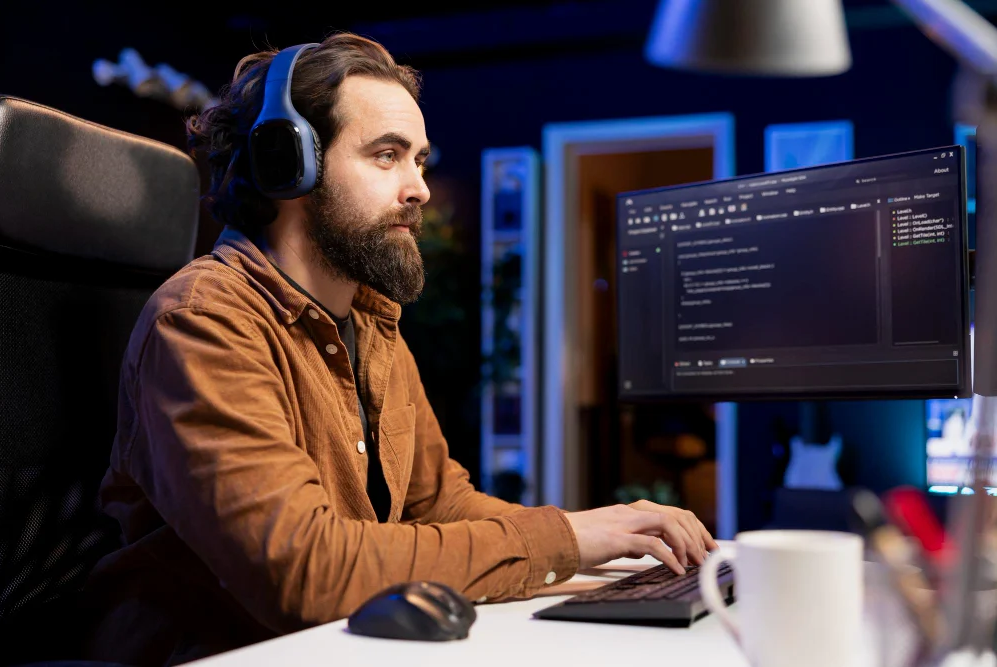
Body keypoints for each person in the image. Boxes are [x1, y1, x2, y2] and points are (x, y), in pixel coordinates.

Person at [80, 32, 718, 665]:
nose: (421, 188)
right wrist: (565, 541)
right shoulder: (206, 322)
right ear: (287, 165)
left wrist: (606, 541)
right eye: (387, 156)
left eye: (420, 159)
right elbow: (307, 571)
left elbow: (440, 503)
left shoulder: (371, 323)